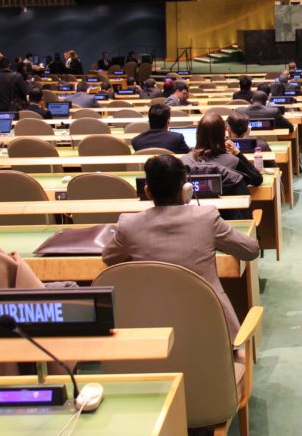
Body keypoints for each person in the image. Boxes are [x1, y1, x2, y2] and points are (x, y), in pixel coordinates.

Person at [102, 155, 260, 341]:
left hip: (153, 333)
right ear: (186, 190)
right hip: (212, 331)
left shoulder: (129, 224)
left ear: (148, 192)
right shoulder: (207, 217)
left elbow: (109, 257)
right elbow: (251, 250)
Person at [181, 112, 263, 190]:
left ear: (198, 134)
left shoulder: (183, 160)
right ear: (222, 134)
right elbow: (257, 179)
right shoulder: (233, 161)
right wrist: (238, 153)